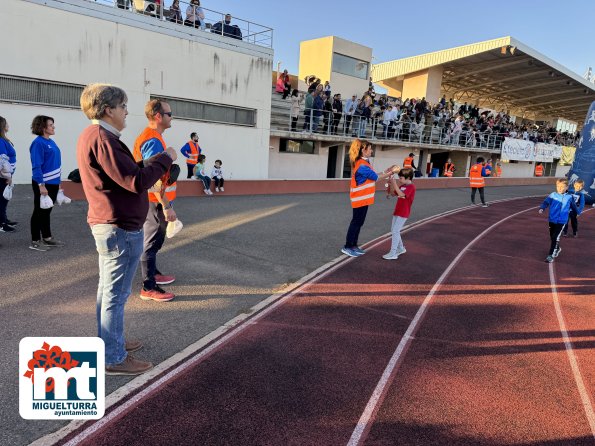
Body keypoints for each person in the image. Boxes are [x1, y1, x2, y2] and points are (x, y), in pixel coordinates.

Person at [77, 83, 176, 375]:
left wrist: (149, 164)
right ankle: (113, 357)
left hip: (111, 224)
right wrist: (165, 158)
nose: (126, 111)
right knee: (115, 295)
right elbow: (135, 181)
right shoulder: (103, 138)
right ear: (108, 109)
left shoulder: (95, 136)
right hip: (118, 227)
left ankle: (110, 343)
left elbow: (126, 174)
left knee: (107, 292)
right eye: (122, 106)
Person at [133, 99, 178, 302]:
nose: (171, 117)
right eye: (169, 114)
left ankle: (154, 273)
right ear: (158, 116)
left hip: (154, 199)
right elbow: (153, 178)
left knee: (156, 239)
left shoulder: (155, 137)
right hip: (153, 199)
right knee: (150, 242)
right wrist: (166, 205)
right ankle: (148, 287)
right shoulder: (152, 140)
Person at [341, 139, 397, 257]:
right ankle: (347, 246)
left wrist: (386, 171)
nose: (371, 150)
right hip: (359, 198)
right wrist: (391, 171)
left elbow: (373, 175)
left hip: (363, 198)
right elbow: (376, 178)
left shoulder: (365, 163)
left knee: (359, 222)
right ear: (363, 150)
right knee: (356, 222)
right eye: (370, 148)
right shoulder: (361, 164)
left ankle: (353, 245)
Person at [29, 115, 65, 251]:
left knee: (47, 211)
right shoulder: (38, 143)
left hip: (53, 183)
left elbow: (54, 163)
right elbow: (36, 166)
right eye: (51, 125)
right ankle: (35, 240)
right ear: (43, 127)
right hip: (43, 183)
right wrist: (41, 185)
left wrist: (59, 183)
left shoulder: (51, 141)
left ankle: (47, 237)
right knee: (39, 212)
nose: (53, 127)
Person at [539, 178, 579, 263]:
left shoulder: (569, 197)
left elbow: (574, 206)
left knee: (555, 237)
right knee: (552, 237)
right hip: (552, 219)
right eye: (558, 186)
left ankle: (551, 255)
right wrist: (542, 208)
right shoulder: (553, 195)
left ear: (567, 187)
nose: (560, 188)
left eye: (562, 187)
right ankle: (557, 248)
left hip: (562, 221)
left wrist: (577, 212)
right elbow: (546, 202)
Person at [383, 167, 416, 260]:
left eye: (401, 178)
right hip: (398, 211)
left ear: (408, 178)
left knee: (395, 231)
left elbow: (401, 194)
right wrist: (391, 184)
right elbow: (393, 194)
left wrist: (394, 184)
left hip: (404, 212)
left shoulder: (411, 187)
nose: (399, 180)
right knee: (394, 230)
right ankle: (401, 248)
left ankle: (393, 253)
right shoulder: (402, 186)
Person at [0, 116, 17, 232]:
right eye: (6, 123)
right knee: (1, 200)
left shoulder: (3, 139)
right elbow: (2, 161)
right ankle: (2, 224)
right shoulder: (0, 141)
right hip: (3, 177)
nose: (8, 125)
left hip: (5, 176)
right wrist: (8, 176)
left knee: (4, 199)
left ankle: (4, 219)